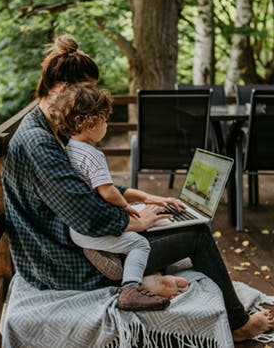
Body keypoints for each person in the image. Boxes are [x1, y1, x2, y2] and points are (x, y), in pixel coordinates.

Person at [1, 34, 274, 341]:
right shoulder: (39, 142)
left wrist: (145, 199)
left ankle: (151, 277)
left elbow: (87, 186)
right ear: (63, 89)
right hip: (62, 262)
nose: (90, 101)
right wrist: (137, 220)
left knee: (162, 220)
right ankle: (237, 325)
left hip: (67, 247)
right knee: (196, 235)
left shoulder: (50, 128)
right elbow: (88, 218)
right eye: (88, 91)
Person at [49, 81, 185, 311]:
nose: (107, 125)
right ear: (90, 123)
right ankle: (130, 290)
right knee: (140, 244)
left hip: (76, 228)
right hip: (89, 231)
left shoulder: (69, 148)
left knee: (131, 238)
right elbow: (108, 192)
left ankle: (104, 254)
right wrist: (126, 207)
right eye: (105, 120)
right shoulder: (93, 156)